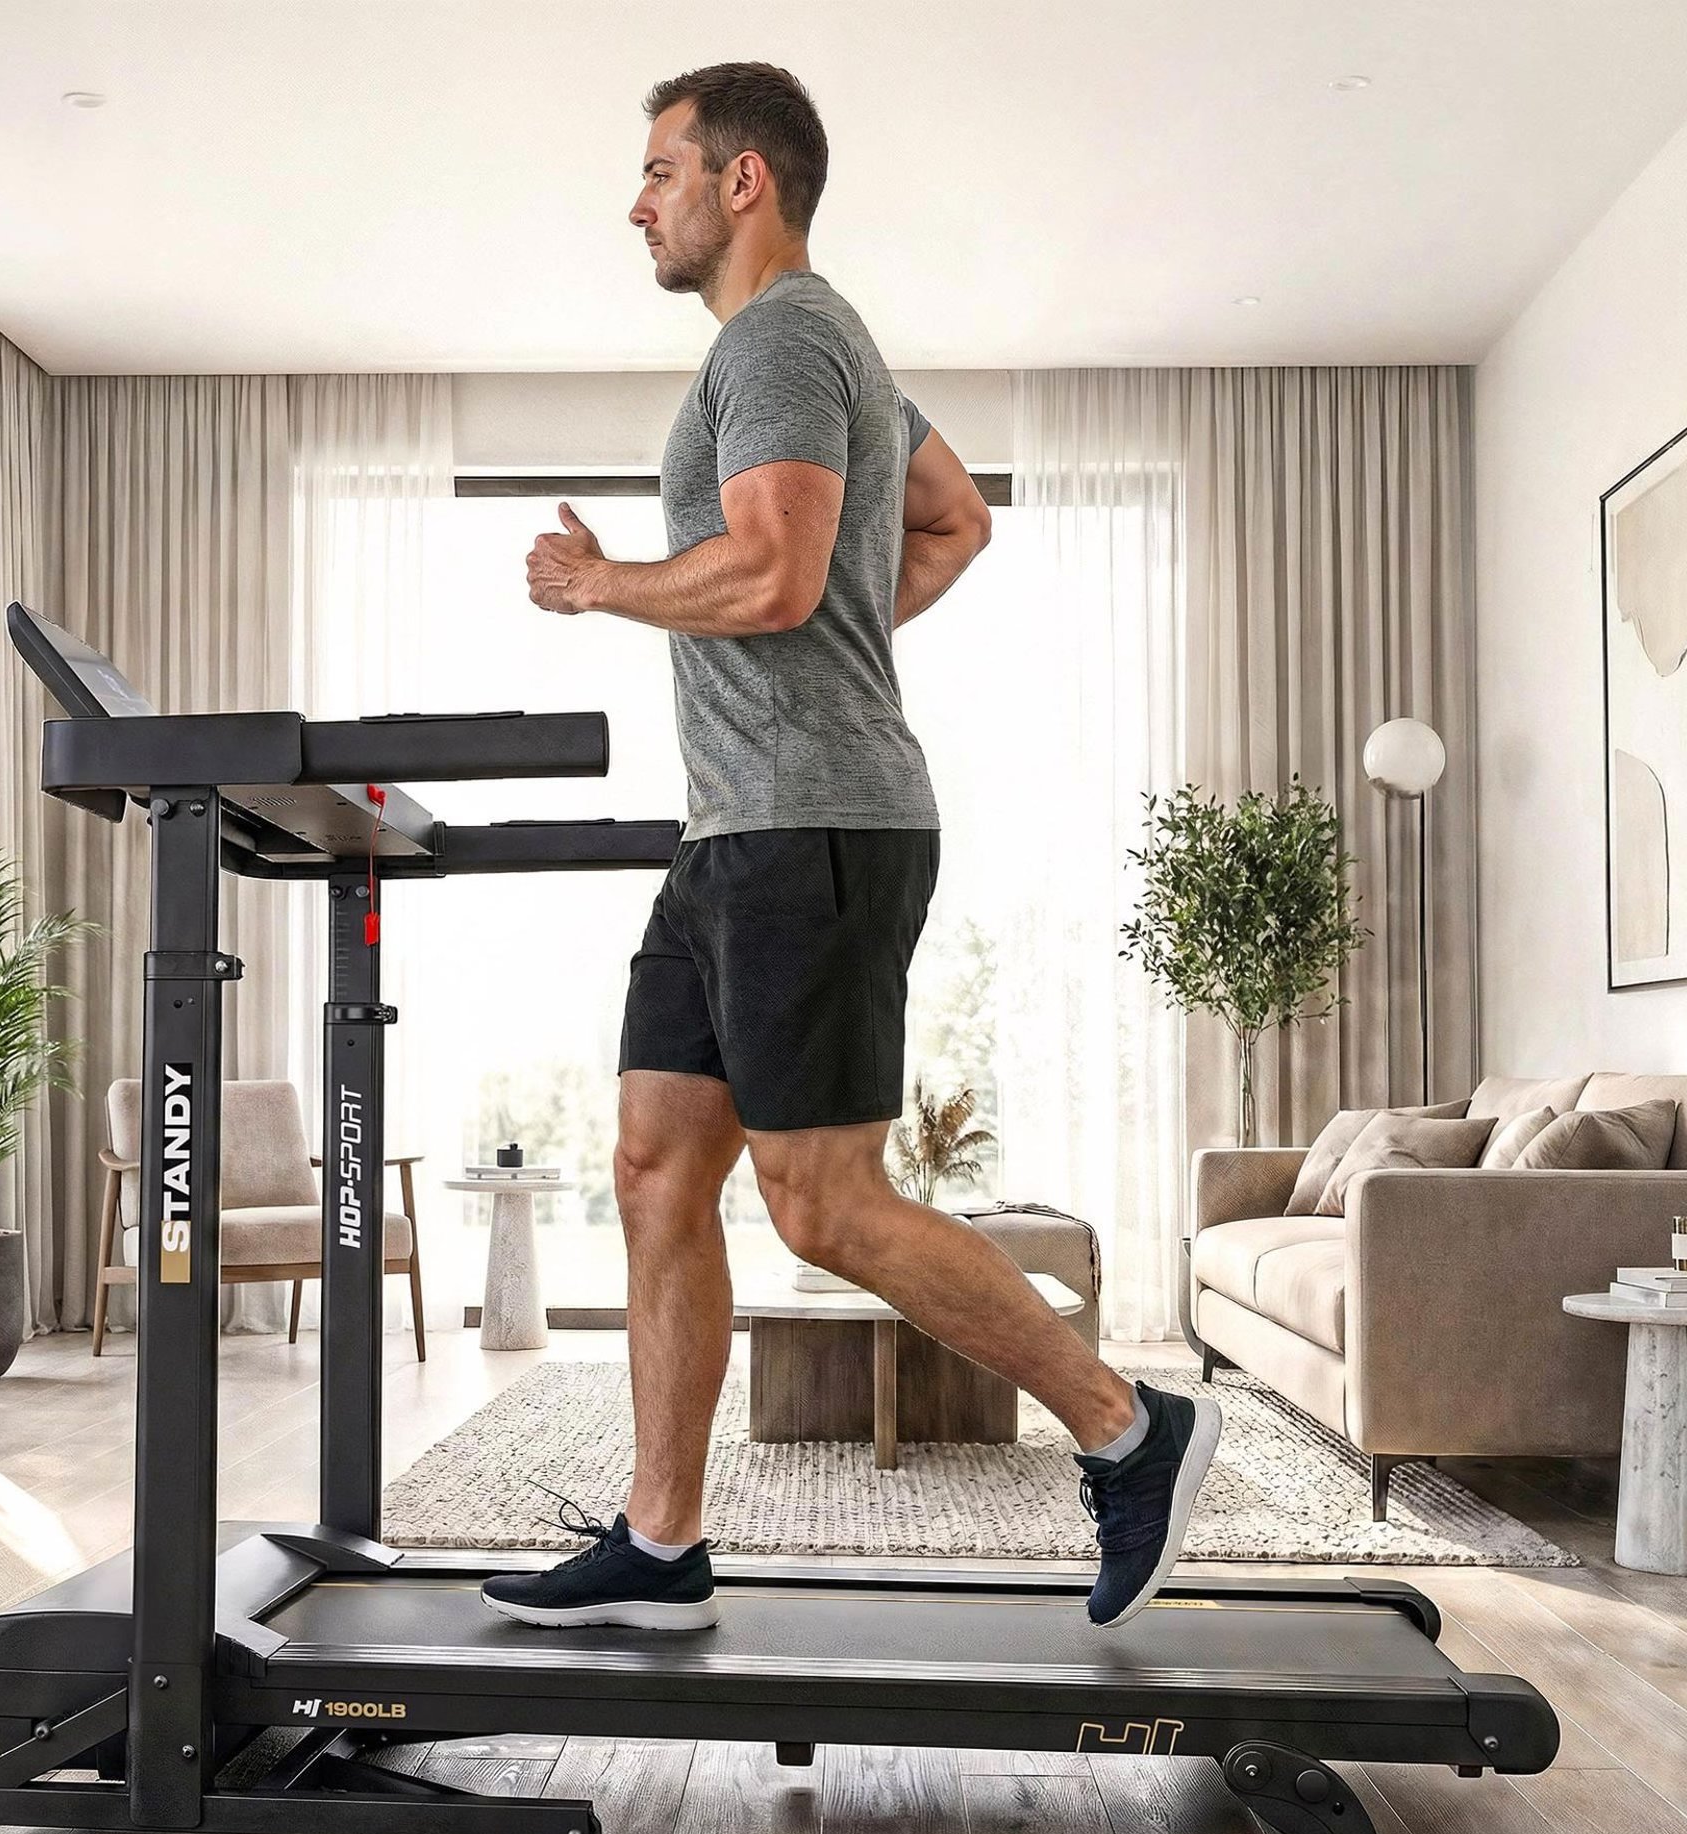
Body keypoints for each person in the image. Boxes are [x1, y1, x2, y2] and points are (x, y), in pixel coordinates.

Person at [486, 61, 1218, 1634]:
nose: (640, 199)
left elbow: (767, 574)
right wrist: (829, 642)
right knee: (656, 1164)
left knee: (819, 1204)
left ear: (744, 182)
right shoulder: (829, 354)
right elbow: (953, 518)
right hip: (737, 826)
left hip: (811, 825)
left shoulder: (785, 337)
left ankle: (1128, 1427)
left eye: (663, 169)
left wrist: (608, 583)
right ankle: (665, 1540)